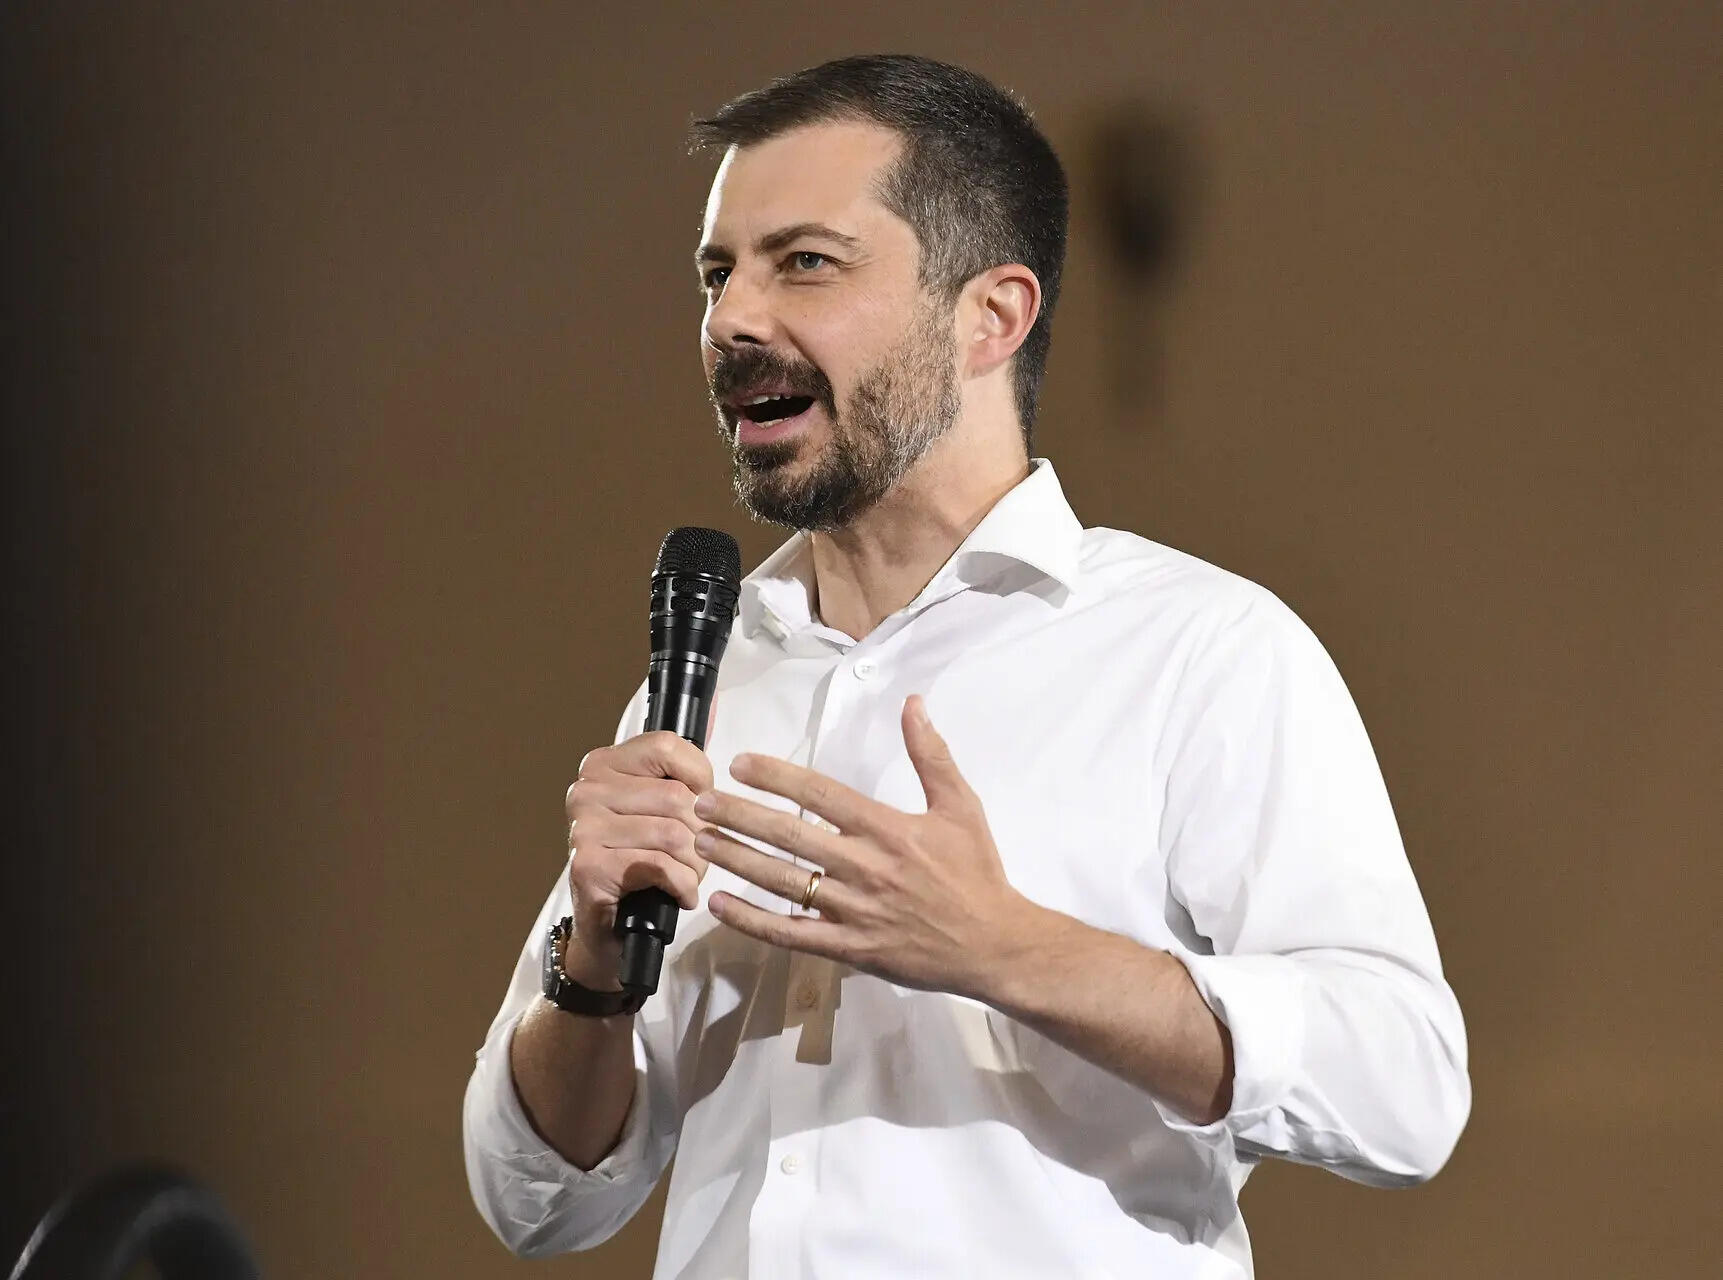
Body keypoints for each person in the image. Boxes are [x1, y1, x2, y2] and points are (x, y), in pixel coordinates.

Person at [462, 54, 1469, 1279]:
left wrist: (1004, 946)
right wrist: (590, 966)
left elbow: (1402, 1085)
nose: (732, 320)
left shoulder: (1196, 649)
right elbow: (535, 1195)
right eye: (717, 273)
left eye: (804, 263)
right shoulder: (710, 681)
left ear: (990, 316)